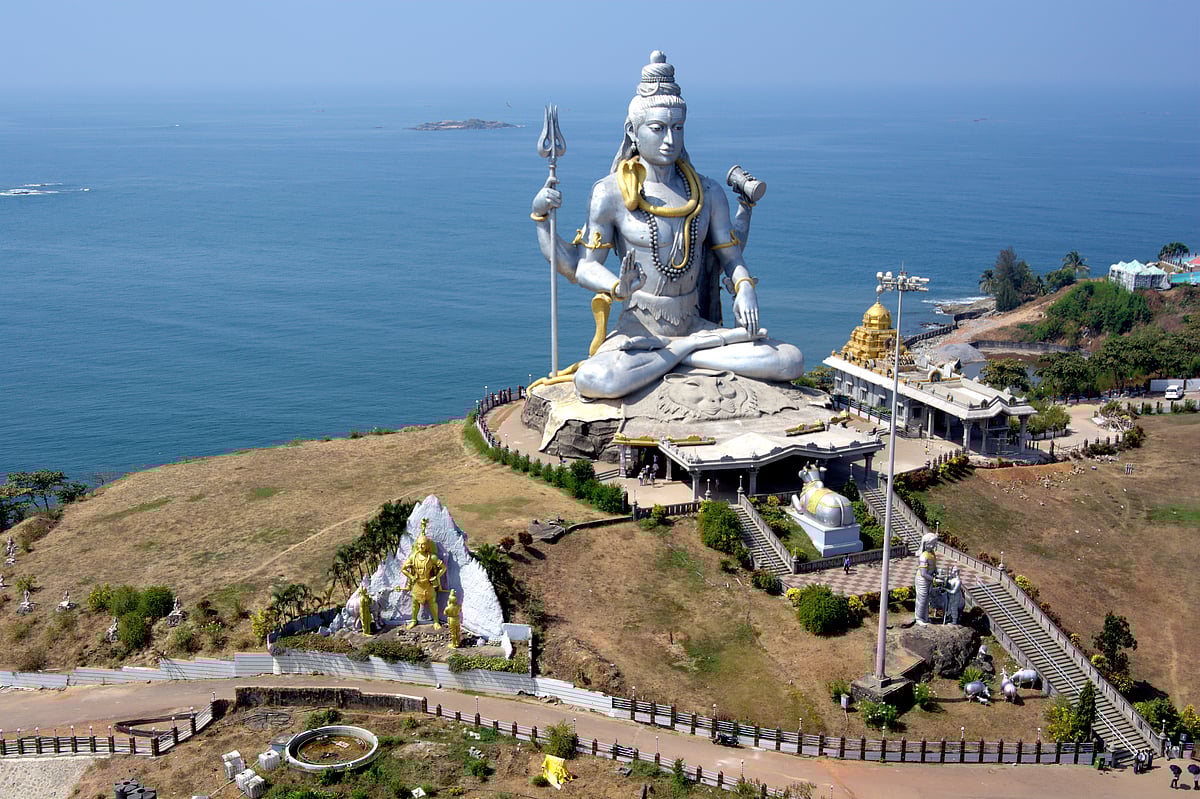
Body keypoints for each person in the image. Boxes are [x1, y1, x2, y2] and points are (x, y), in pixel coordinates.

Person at [531, 52, 803, 399]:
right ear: (633, 130)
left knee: (789, 360)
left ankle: (679, 352)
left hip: (693, 322)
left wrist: (745, 287)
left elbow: (731, 257)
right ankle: (685, 353)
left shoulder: (706, 192)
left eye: (677, 129)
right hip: (639, 331)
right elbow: (584, 267)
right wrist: (618, 286)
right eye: (657, 129)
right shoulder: (610, 192)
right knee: (596, 379)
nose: (669, 140)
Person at [398, 520, 447, 629]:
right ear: (416, 545)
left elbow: (443, 568)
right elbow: (403, 569)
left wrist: (436, 576)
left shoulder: (432, 557)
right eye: (419, 544)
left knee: (433, 602)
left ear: (427, 545)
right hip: (417, 584)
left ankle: (436, 621)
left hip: (429, 584)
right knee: (415, 603)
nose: (421, 547)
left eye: (423, 544)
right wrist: (411, 577)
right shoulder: (413, 557)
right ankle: (414, 620)